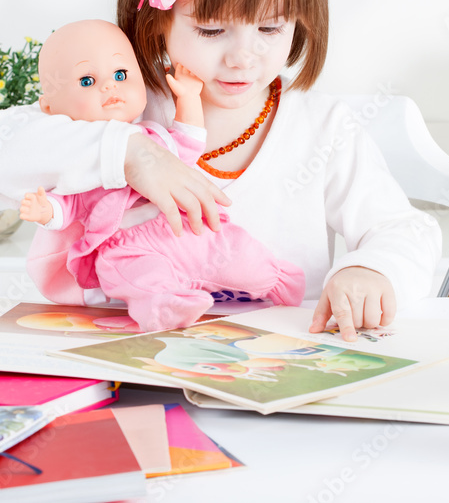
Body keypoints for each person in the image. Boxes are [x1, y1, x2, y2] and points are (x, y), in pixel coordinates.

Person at [0, 0, 441, 342]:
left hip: (272, 366)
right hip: (125, 354)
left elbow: (405, 230)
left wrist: (371, 270)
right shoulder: (119, 107)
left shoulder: (323, 131)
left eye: (271, 27)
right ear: (156, 16)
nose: (244, 57)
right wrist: (131, 155)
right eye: (212, 30)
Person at [17, 19, 304, 332]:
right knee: (139, 278)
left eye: (120, 75)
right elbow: (69, 205)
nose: (110, 86)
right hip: (127, 246)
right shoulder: (84, 159)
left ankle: (276, 280)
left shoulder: (154, 136)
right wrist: (46, 211)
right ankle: (165, 307)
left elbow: (188, 143)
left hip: (182, 229)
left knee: (236, 254)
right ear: (49, 108)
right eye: (87, 81)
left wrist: (188, 98)